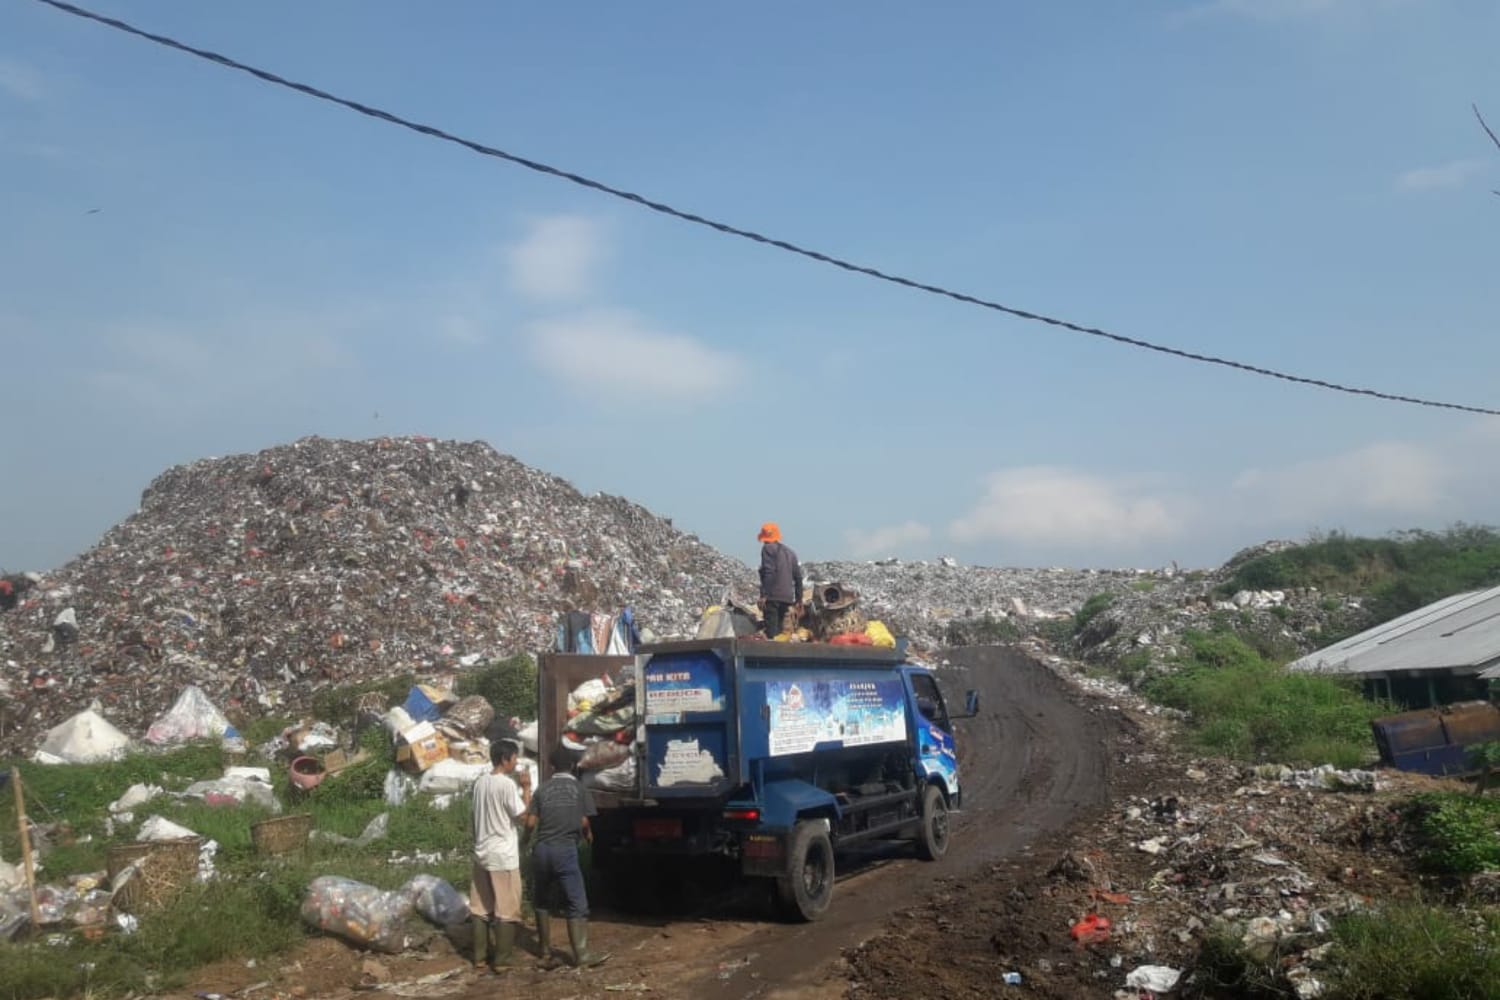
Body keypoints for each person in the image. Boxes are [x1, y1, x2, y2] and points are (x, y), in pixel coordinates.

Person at [526, 745, 610, 968]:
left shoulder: (542, 789)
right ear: (573, 766)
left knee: (542, 901)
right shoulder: (580, 789)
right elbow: (583, 821)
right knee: (577, 903)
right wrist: (589, 835)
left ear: (552, 766)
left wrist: (525, 841)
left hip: (542, 850)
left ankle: (544, 952)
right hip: (564, 850)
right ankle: (581, 956)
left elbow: (531, 822)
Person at [469, 739, 531, 972]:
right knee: (507, 908)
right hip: (502, 855)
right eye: (514, 758)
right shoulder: (506, 785)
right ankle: (503, 960)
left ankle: (479, 957)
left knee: (480, 908)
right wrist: (526, 788)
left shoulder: (480, 783)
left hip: (481, 852)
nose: (516, 763)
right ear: (505, 759)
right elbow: (523, 817)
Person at [757, 522, 803, 638]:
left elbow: (769, 572)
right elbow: (798, 577)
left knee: (772, 633)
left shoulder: (767, 549)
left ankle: (770, 654)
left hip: (773, 597)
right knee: (781, 632)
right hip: (787, 598)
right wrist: (799, 599)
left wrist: (764, 595)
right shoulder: (790, 553)